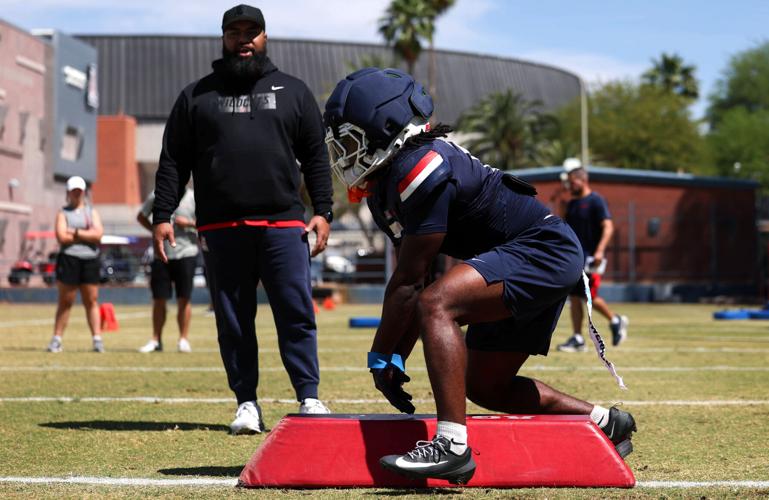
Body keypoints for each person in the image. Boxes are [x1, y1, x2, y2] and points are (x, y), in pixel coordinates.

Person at [323, 68, 636, 483]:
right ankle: (605, 422)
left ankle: (451, 446)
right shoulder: (391, 184)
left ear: (386, 128)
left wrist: (382, 356)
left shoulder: (421, 165)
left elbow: (412, 285)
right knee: (486, 387)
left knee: (438, 303)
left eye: (351, 141)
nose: (345, 155)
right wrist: (396, 351)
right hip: (520, 257)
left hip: (544, 250)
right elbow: (416, 280)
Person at [152, 4, 333, 434]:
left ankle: (308, 397)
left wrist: (324, 211)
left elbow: (315, 157)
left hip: (284, 224)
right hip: (220, 227)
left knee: (295, 313)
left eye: (252, 31)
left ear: (265, 37)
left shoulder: (293, 91)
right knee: (233, 320)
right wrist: (163, 213)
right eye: (235, 32)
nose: (244, 39)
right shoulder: (197, 96)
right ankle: (246, 404)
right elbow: (173, 160)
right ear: (223, 38)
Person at [554, 166, 629, 352]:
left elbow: (608, 226)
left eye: (572, 182)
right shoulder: (570, 204)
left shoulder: (596, 201)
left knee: (588, 296)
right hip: (574, 257)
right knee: (574, 296)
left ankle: (615, 320)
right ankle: (578, 338)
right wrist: (562, 201)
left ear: (582, 180)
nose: (569, 186)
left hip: (591, 259)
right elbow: (559, 223)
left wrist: (600, 251)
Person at [46, 176, 105, 353]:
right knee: (66, 301)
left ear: (84, 192)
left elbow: (98, 235)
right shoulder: (62, 213)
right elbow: (61, 236)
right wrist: (87, 234)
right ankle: (57, 339)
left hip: (90, 260)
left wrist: (76, 232)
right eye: (74, 191)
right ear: (68, 193)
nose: (77, 194)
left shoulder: (92, 212)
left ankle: (97, 339)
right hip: (69, 260)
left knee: (91, 300)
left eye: (80, 191)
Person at [136, 188, 197, 353]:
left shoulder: (193, 197)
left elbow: (205, 223)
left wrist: (189, 223)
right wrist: (156, 232)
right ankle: (156, 339)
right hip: (161, 254)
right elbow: (141, 216)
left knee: (184, 298)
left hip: (186, 253)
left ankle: (183, 339)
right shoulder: (157, 194)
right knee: (159, 298)